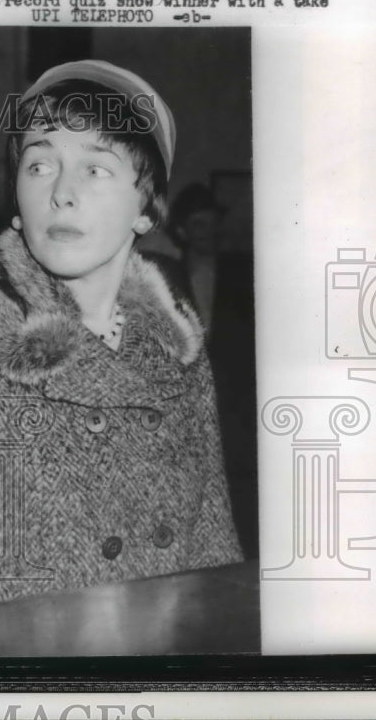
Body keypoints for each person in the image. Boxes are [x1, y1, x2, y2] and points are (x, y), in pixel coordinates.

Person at [0, 60, 243, 614]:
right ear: (17, 207)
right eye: (40, 165)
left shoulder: (180, 358)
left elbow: (214, 556)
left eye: (96, 169)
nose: (61, 194)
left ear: (147, 210)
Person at [145, 183, 258, 559]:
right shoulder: (166, 275)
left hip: (238, 406)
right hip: (189, 403)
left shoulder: (245, 275)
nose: (207, 234)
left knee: (241, 487)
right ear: (181, 231)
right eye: (198, 225)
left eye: (213, 224)